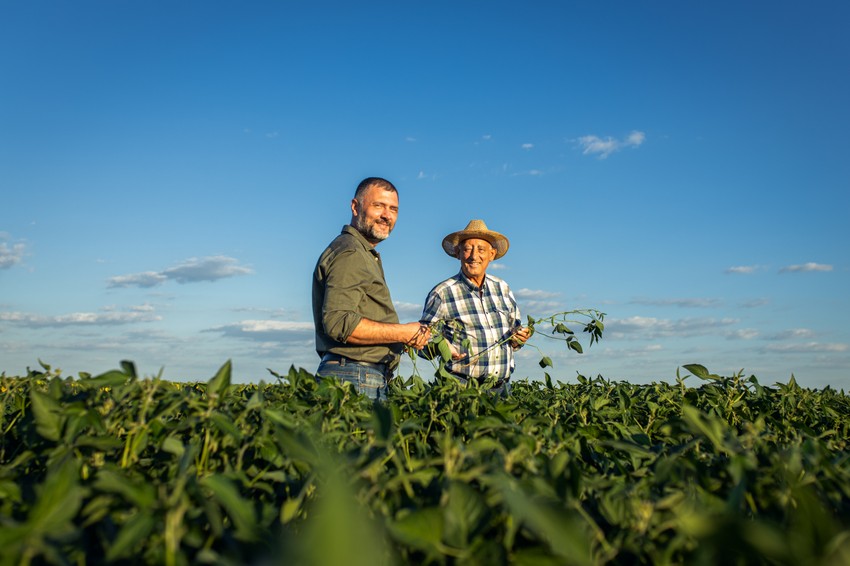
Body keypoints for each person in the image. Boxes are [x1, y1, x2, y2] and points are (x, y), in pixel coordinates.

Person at [312, 177, 430, 401]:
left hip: (356, 375)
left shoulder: (362, 253)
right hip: (354, 377)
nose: (387, 215)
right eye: (378, 206)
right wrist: (403, 332)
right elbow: (338, 322)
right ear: (355, 207)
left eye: (393, 209)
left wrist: (407, 340)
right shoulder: (351, 252)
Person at [419, 219, 531, 396]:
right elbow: (421, 340)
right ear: (458, 253)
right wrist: (441, 345)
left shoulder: (502, 288)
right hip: (460, 388)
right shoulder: (443, 292)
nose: (473, 256)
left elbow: (514, 336)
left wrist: (520, 337)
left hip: (501, 389)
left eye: (480, 249)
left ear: (491, 254)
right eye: (467, 249)